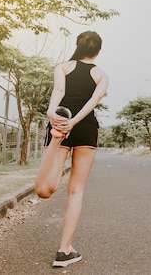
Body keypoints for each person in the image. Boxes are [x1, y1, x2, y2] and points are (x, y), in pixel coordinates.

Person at [35, 31, 109, 268]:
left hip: (59, 121)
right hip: (85, 127)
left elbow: (58, 92)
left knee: (45, 190)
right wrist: (75, 121)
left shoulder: (63, 67)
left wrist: (52, 113)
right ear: (98, 51)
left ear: (78, 46)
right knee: (76, 191)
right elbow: (93, 101)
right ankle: (64, 250)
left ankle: (57, 140)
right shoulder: (101, 75)